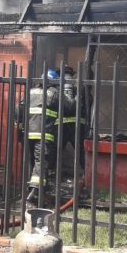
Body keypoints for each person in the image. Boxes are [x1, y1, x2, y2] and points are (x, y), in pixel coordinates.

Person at [24, 68, 75, 203]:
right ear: (54, 82)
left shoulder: (31, 92)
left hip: (29, 133)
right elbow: (70, 107)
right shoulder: (53, 93)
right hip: (44, 134)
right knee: (42, 162)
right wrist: (70, 93)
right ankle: (33, 193)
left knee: (34, 162)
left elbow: (19, 109)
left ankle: (39, 191)